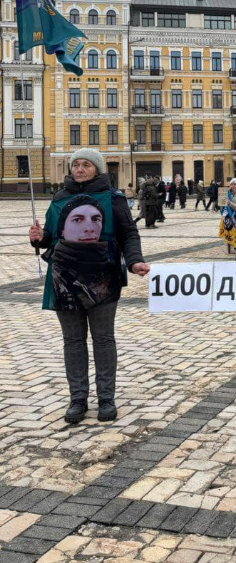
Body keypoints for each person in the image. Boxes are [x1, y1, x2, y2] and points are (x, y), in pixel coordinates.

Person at [28, 148, 149, 424]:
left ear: (97, 168)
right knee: (72, 340)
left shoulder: (113, 198)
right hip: (64, 277)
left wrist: (134, 261)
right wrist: (39, 237)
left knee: (103, 338)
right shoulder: (59, 198)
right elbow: (50, 236)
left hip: (103, 276)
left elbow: (128, 233)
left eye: (86, 165)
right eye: (76, 165)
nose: (80, 169)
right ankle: (77, 399)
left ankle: (106, 398)